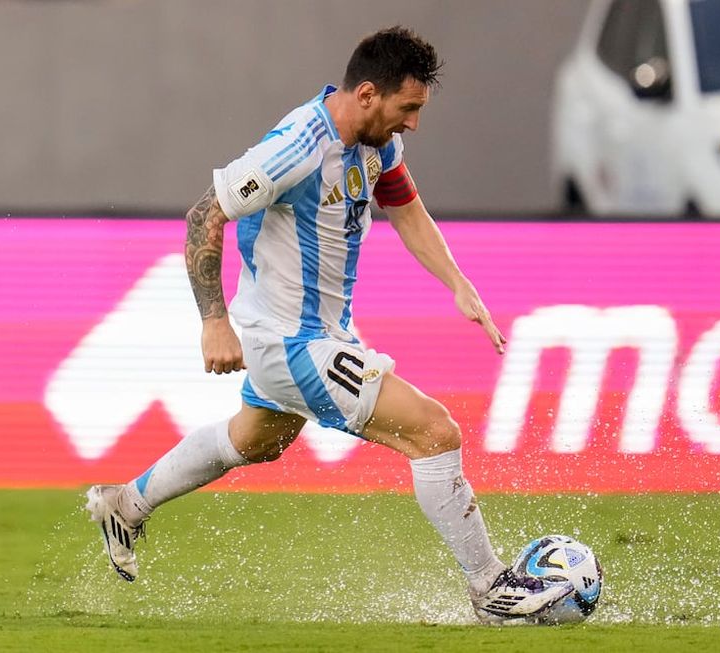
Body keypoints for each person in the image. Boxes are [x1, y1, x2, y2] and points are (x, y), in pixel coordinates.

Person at [85, 26, 568, 623]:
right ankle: (492, 588)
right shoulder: (296, 146)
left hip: (319, 334)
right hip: (287, 342)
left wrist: (458, 284)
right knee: (434, 432)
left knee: (255, 440)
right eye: (408, 109)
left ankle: (126, 504)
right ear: (368, 94)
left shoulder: (377, 143)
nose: (413, 124)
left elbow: (406, 207)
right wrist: (214, 322)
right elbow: (203, 216)